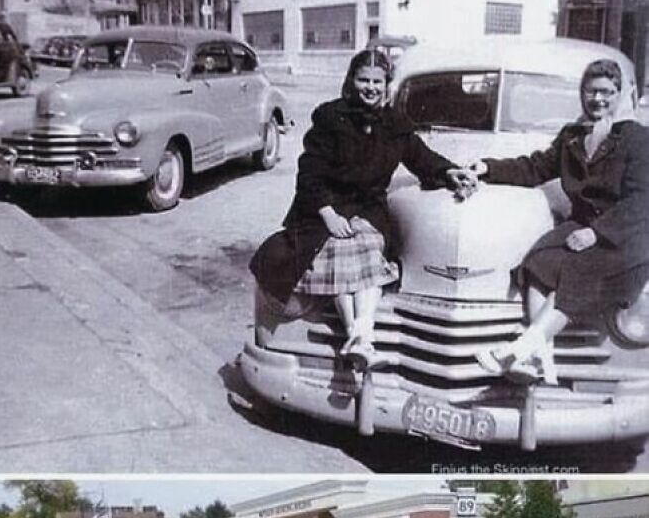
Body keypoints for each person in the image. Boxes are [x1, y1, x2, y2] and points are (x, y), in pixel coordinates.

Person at [250, 49, 477, 366]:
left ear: (387, 86)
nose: (371, 87)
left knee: (368, 248)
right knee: (337, 250)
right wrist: (328, 214)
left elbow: (422, 158)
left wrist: (448, 172)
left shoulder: (396, 124)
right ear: (351, 81)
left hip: (369, 210)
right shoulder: (330, 118)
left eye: (378, 82)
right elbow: (310, 173)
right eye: (363, 80)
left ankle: (360, 335)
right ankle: (360, 336)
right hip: (325, 208)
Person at [473, 58, 649, 385]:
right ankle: (540, 356)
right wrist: (487, 168)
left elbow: (642, 201)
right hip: (581, 227)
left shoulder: (637, 138)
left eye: (607, 92)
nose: (598, 99)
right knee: (538, 262)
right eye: (591, 91)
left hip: (626, 238)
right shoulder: (573, 135)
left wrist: (596, 234)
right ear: (582, 93)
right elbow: (534, 167)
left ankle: (520, 349)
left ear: (620, 94)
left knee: (578, 270)